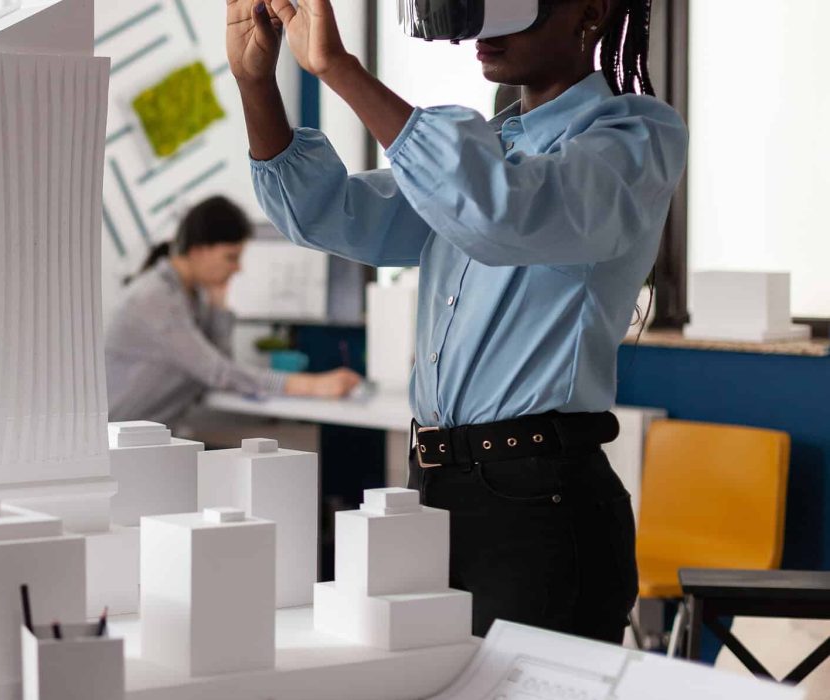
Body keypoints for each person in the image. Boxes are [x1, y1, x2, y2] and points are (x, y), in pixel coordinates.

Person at [228, 0, 686, 642]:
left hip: (539, 499)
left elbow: (501, 210)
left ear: (590, 11)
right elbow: (329, 211)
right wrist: (255, 81)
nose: (485, 30)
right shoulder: (489, 146)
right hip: (434, 489)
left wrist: (340, 69)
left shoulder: (634, 137)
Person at [106, 195, 362, 428]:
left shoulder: (190, 296)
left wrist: (219, 307)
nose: (238, 269)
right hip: (113, 444)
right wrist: (312, 385)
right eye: (231, 257)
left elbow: (219, 362)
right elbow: (217, 372)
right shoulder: (155, 299)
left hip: (144, 439)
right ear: (199, 251)